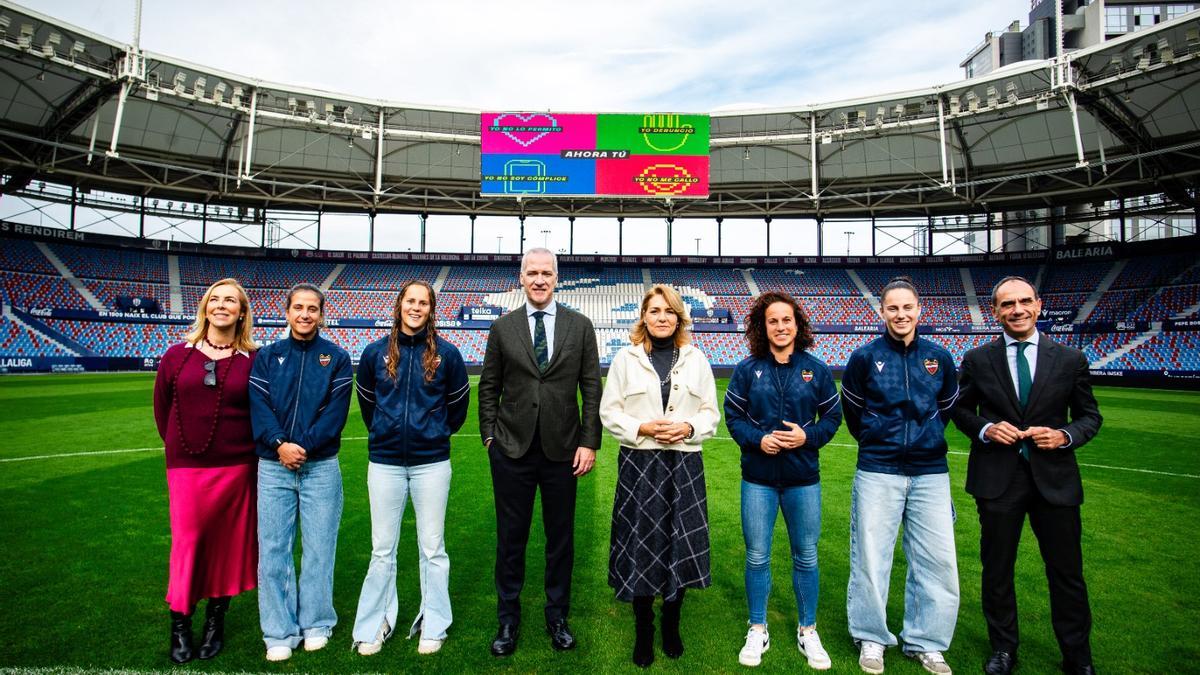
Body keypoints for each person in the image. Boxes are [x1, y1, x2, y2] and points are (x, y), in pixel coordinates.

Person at [951, 276, 1102, 675]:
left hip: (1055, 480)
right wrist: (986, 428)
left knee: (1066, 572)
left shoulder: (1070, 359)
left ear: (1038, 305)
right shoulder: (978, 359)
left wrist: (1065, 435)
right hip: (999, 479)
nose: (1016, 310)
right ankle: (1003, 648)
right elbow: (961, 411)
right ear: (995, 311)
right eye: (1006, 304)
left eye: (1023, 302)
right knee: (997, 568)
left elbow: (1090, 416)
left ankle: (1077, 655)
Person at [477, 247, 602, 656]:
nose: (539, 279)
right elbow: (489, 387)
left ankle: (557, 617)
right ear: (521, 277)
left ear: (557, 277)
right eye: (532, 272)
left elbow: (591, 388)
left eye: (546, 272)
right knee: (510, 539)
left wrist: (588, 441)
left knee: (559, 540)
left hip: (563, 450)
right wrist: (490, 438)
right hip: (511, 449)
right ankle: (507, 621)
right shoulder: (503, 327)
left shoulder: (580, 326)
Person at [840, 276, 961, 675]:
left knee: (937, 561)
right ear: (882, 311)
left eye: (907, 307)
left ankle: (926, 642)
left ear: (919, 310)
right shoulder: (864, 357)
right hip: (878, 468)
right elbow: (855, 414)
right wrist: (881, 439)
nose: (900, 314)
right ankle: (872, 638)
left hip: (930, 472)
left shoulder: (939, 357)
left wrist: (922, 440)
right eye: (893, 307)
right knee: (872, 557)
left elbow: (944, 409)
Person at [600, 284, 720, 668]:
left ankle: (671, 622)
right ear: (644, 317)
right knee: (642, 543)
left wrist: (687, 428)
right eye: (655, 311)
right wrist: (644, 429)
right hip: (640, 464)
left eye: (669, 311)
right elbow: (610, 413)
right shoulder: (625, 359)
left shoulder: (697, 359)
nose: (662, 318)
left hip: (683, 463)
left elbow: (710, 414)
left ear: (679, 317)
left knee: (679, 544)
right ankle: (644, 628)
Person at [724, 291, 843, 671]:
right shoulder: (746, 369)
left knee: (806, 556)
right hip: (757, 479)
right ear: (763, 326)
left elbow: (832, 419)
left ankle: (807, 629)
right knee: (757, 555)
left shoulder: (817, 370)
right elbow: (733, 417)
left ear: (797, 325)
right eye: (772, 320)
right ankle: (757, 627)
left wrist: (806, 437)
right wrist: (758, 439)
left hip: (803, 479)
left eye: (786, 320)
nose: (780, 326)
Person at [351, 280, 470, 657]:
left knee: (433, 548)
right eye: (410, 301)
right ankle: (375, 623)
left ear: (431, 309)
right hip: (384, 462)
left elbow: (457, 411)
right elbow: (369, 407)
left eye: (423, 302)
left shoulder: (448, 355)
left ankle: (434, 623)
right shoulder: (373, 353)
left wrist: (431, 433)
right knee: (382, 549)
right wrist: (387, 433)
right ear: (399, 305)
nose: (415, 308)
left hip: (431, 463)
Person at [152, 278, 259, 664]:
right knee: (188, 541)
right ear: (205, 307)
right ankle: (180, 623)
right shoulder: (176, 356)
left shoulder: (253, 359)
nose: (222, 305)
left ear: (241, 311)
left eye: (230, 300)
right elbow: (163, 411)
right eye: (215, 299)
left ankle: (216, 622)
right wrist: (184, 448)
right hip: (188, 467)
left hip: (237, 467)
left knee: (228, 545)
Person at [248, 283, 353, 662]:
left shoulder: (337, 358)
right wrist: (279, 443)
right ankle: (279, 631)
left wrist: (301, 447)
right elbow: (258, 405)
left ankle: (316, 623)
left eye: (313, 308)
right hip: (273, 466)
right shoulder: (267, 356)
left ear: (322, 314)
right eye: (298, 308)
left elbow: (335, 415)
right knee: (274, 550)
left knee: (319, 549)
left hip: (320, 466)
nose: (305, 314)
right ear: (287, 312)